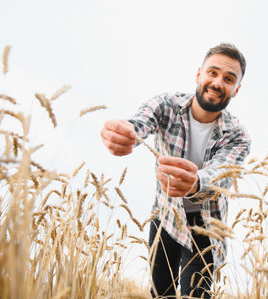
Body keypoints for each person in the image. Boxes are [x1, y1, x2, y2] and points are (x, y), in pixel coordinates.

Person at [100, 43, 251, 298]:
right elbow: (140, 122)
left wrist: (194, 183)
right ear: (198, 75)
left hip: (206, 226)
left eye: (228, 79)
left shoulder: (238, 136)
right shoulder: (166, 105)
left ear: (236, 90)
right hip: (165, 217)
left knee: (196, 294)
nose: (217, 82)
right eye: (212, 73)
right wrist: (125, 133)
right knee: (162, 293)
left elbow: (219, 176)